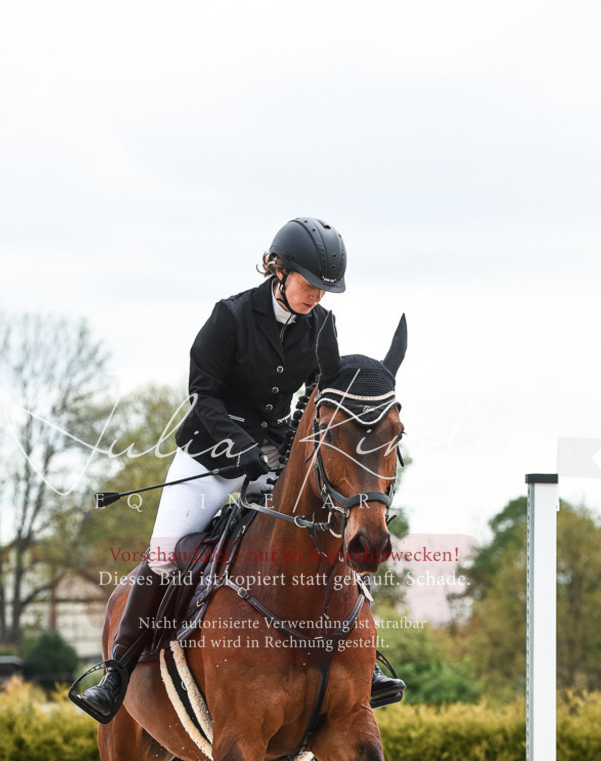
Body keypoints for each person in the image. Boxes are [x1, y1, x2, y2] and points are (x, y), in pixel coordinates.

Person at [78, 217, 405, 723]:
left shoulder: (322, 325)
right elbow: (202, 394)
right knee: (165, 556)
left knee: (328, 536)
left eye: (326, 289)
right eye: (310, 284)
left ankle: (367, 661)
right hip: (209, 456)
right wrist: (239, 445)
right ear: (280, 271)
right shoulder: (229, 317)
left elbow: (322, 397)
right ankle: (117, 672)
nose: (317, 296)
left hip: (274, 459)